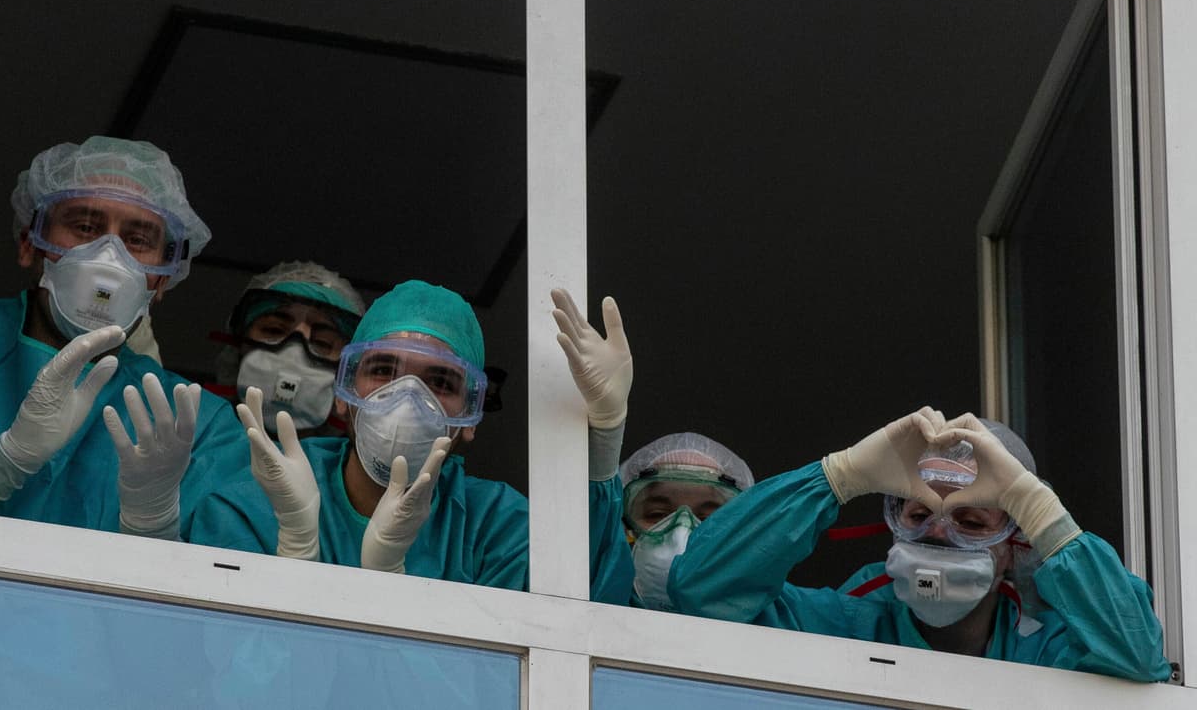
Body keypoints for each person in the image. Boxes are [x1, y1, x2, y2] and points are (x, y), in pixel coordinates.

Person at [189, 281, 634, 603]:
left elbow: (579, 616)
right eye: (382, 371)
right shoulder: (257, 503)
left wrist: (605, 436)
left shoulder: (498, 529)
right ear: (343, 396)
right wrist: (296, 552)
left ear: (468, 419)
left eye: (439, 382)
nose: (405, 399)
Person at [667, 410, 1171, 682]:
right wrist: (839, 475)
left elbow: (1137, 656)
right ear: (893, 525)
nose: (937, 532)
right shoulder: (838, 628)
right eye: (919, 513)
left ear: (1015, 544)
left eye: (971, 521)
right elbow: (702, 589)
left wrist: (1043, 513)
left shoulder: (1046, 650)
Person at [0, 135, 248, 539]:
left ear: (162, 280)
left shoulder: (199, 424)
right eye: (84, 226)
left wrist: (153, 527)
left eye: (138, 239)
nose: (107, 254)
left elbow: (222, 588)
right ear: (30, 244)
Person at [208, 261, 366, 439]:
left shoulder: (351, 466)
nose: (294, 354)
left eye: (322, 343)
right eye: (273, 330)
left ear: (347, 375)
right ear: (237, 346)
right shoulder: (193, 442)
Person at [619, 432, 752, 609]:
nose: (680, 535)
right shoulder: (582, 595)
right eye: (658, 514)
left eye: (707, 520)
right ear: (623, 525)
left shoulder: (792, 617)